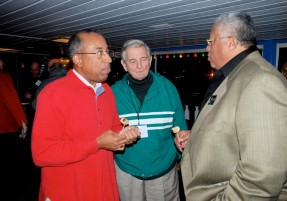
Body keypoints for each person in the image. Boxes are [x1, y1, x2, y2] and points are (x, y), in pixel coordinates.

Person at [175, 11, 287, 200]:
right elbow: (235, 128)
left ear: (231, 42)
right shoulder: (238, 75)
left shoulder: (261, 80)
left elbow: (263, 178)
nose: (206, 48)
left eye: (210, 42)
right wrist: (198, 136)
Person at [31, 29, 141, 201]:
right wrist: (96, 143)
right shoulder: (53, 93)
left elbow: (113, 128)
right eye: (99, 53)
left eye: (107, 51)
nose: (108, 58)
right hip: (69, 191)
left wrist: (124, 134)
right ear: (78, 59)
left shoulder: (106, 90)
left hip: (103, 188)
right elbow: (42, 154)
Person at [112, 39, 188, 201]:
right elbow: (106, 133)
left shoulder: (168, 87)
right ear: (124, 65)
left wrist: (181, 145)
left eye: (143, 59)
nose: (139, 66)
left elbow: (181, 127)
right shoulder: (112, 93)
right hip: (127, 171)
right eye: (132, 61)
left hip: (163, 171)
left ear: (150, 60)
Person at [0, 67, 28, 200]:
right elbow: (10, 98)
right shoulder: (2, 76)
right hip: (4, 129)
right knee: (9, 171)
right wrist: (21, 121)